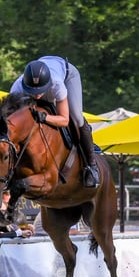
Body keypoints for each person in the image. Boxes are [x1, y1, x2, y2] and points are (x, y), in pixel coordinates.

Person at [11, 56, 100, 188]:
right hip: (46, 72)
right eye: (33, 91)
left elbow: (64, 120)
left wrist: (44, 118)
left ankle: (91, 166)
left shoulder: (57, 84)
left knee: (76, 117)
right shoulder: (17, 89)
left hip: (68, 74)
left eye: (39, 91)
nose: (36, 95)